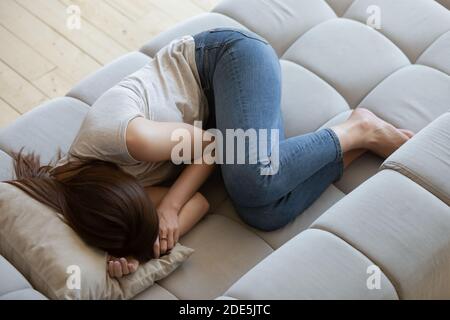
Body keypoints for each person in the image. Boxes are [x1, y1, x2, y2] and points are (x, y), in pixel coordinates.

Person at [7, 28, 413, 278]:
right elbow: (198, 203)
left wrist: (168, 207)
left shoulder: (126, 139)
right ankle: (353, 145)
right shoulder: (98, 197)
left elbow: (213, 146)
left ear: (111, 183)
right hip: (216, 118)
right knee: (262, 212)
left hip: (226, 62)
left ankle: (358, 127)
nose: (149, 201)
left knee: (253, 179)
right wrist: (145, 248)